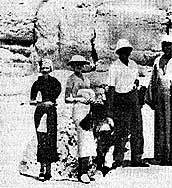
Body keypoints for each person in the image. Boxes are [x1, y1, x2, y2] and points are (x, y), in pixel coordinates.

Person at [107, 39, 149, 168]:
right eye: (122, 51)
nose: (125, 53)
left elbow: (136, 80)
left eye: (127, 50)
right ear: (118, 52)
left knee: (137, 129)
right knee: (121, 130)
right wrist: (110, 108)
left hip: (133, 98)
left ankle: (137, 158)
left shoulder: (133, 65)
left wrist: (137, 87)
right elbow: (111, 88)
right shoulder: (114, 66)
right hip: (120, 100)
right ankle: (118, 159)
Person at [65, 55, 97, 184]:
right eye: (76, 64)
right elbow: (67, 98)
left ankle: (86, 170)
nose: (79, 66)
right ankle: (81, 172)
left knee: (89, 140)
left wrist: (91, 98)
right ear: (72, 66)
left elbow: (90, 93)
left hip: (88, 110)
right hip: (78, 110)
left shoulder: (86, 79)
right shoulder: (70, 79)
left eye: (81, 64)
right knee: (83, 140)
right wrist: (80, 99)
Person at [30, 58, 62, 181]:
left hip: (51, 113)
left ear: (50, 69)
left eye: (47, 68)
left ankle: (49, 170)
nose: (45, 71)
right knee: (41, 139)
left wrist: (51, 103)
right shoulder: (37, 83)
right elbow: (32, 100)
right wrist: (42, 103)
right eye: (43, 68)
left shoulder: (55, 83)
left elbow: (56, 97)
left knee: (51, 139)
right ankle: (42, 168)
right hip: (40, 113)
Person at [145, 34, 172, 165]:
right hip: (161, 97)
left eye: (169, 45)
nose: (167, 48)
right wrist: (152, 97)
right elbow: (153, 80)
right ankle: (162, 156)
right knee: (161, 125)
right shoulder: (157, 60)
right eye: (164, 45)